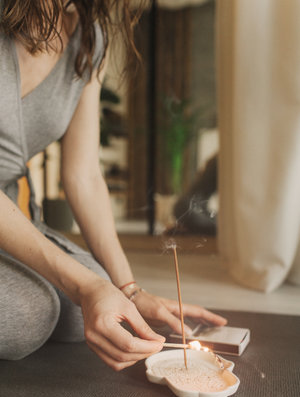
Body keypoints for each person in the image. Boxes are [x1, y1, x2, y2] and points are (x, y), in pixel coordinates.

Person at [0, 0, 226, 370]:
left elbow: (83, 174)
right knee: (30, 314)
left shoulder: (90, 38)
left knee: (89, 308)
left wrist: (129, 290)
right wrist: (85, 286)